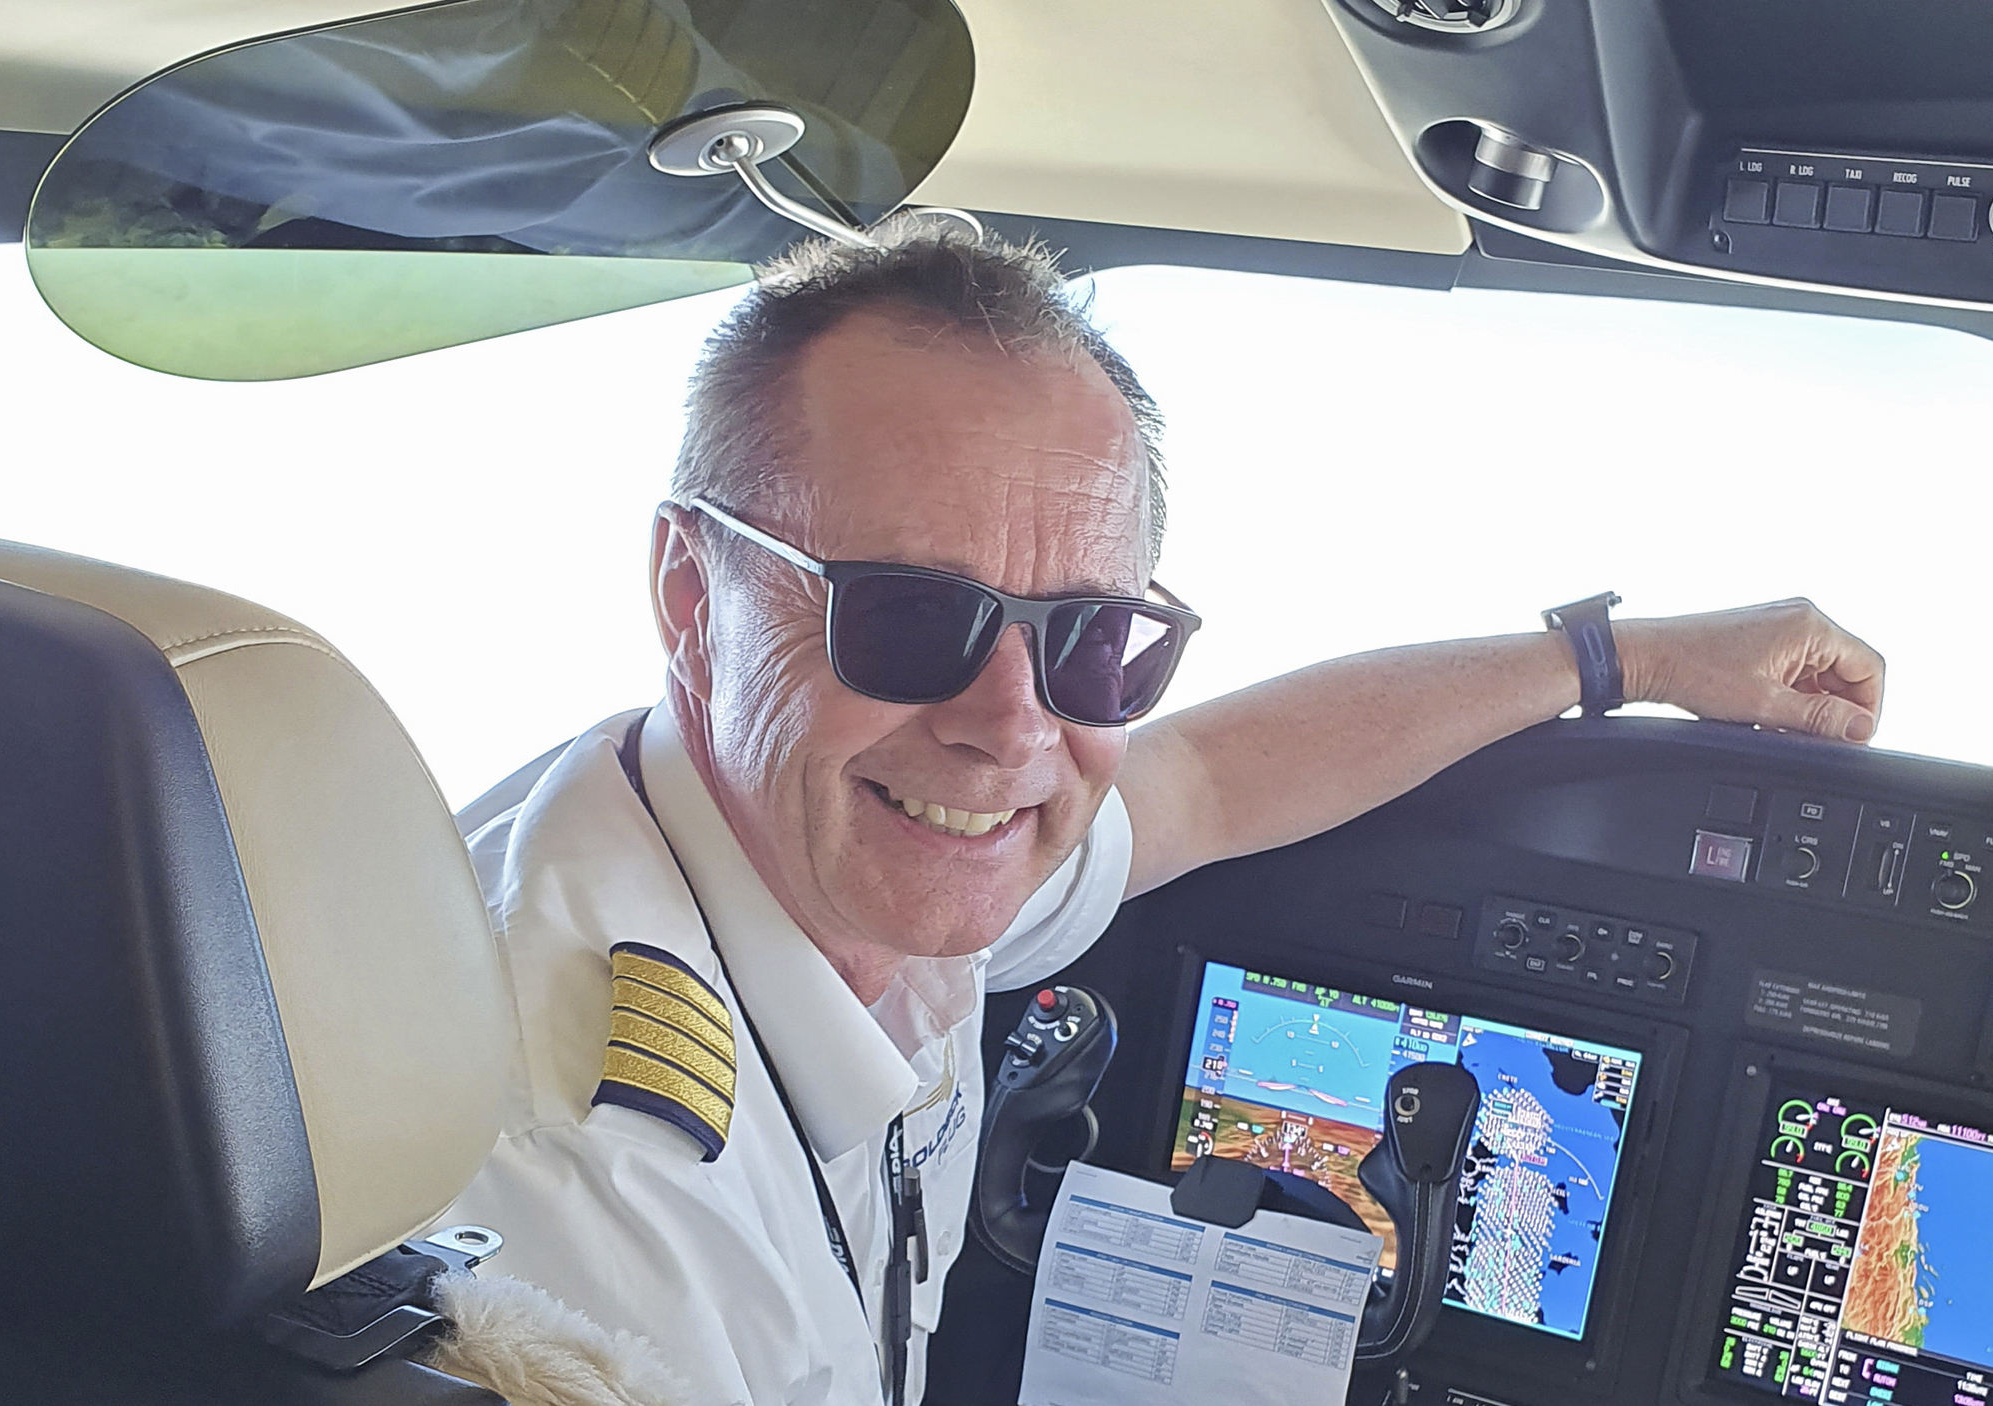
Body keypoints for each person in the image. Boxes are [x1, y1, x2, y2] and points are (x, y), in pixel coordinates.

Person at [442, 221, 1883, 1405]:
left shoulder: (862, 844)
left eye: (1088, 640)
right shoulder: (582, 1177)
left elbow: (1205, 778)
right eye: (908, 616)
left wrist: (1619, 660)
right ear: (694, 599)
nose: (1012, 727)